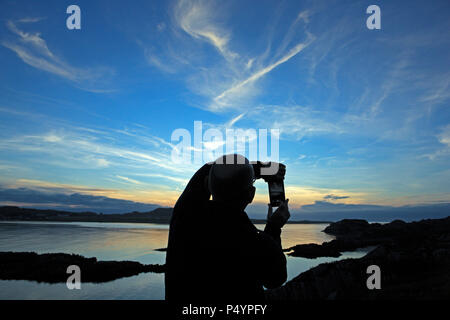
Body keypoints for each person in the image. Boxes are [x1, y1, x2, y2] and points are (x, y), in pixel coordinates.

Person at [165, 154, 290, 301]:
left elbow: (207, 170)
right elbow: (275, 279)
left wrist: (261, 168)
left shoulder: (185, 218)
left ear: (207, 184)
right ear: (251, 194)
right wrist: (273, 228)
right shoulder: (256, 243)